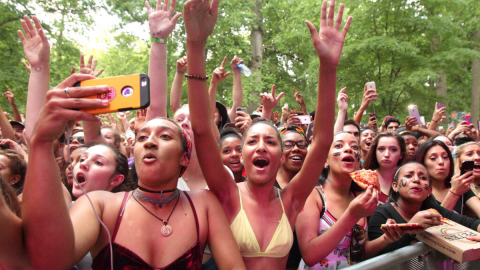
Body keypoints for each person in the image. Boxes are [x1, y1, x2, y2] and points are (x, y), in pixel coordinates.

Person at [17, 2, 246, 269]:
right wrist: (42, 143)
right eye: (141, 137)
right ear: (132, 153)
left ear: (184, 157)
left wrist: (195, 45)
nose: (149, 141)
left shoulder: (204, 204)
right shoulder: (100, 206)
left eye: (165, 137)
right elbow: (49, 262)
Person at [187, 0, 350, 268]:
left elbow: (321, 142)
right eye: (252, 141)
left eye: (270, 141)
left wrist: (328, 68)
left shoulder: (292, 199)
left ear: (281, 155)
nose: (261, 147)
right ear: (241, 154)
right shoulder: (226, 193)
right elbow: (203, 130)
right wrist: (195, 45)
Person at [297, 132, 396, 269]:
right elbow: (309, 256)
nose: (349, 149)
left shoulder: (361, 198)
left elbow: (358, 253)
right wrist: (352, 215)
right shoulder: (311, 195)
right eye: (338, 145)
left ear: (359, 161)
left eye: (354, 147)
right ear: (326, 160)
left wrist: (386, 238)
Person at [368, 162, 480, 254]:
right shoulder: (382, 213)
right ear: (395, 186)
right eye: (408, 176)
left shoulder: (433, 210)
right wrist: (410, 228)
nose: (416, 180)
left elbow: (470, 223)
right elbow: (371, 255)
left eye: (422, 177)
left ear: (429, 191)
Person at [414, 140, 480, 217]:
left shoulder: (461, 187)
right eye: (433, 158)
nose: (441, 162)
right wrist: (454, 193)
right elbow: (436, 222)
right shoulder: (418, 190)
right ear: (422, 162)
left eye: (445, 157)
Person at [363, 132, 406, 203]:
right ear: (375, 152)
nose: (386, 154)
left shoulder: (410, 180)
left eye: (393, 150)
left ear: (401, 154)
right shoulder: (363, 179)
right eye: (381, 149)